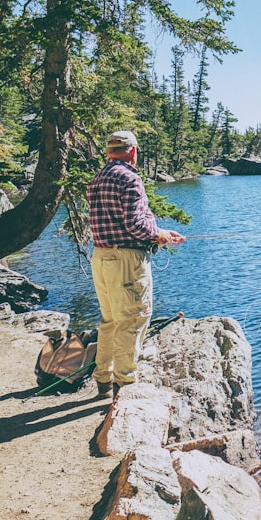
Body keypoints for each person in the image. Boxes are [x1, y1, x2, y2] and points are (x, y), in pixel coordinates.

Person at [87, 130, 185, 398]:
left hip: (101, 256)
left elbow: (122, 222)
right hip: (126, 260)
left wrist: (159, 230)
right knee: (133, 320)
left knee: (110, 321)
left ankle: (103, 381)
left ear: (109, 152)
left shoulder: (97, 179)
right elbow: (134, 224)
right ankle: (125, 386)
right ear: (133, 151)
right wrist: (158, 235)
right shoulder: (129, 178)